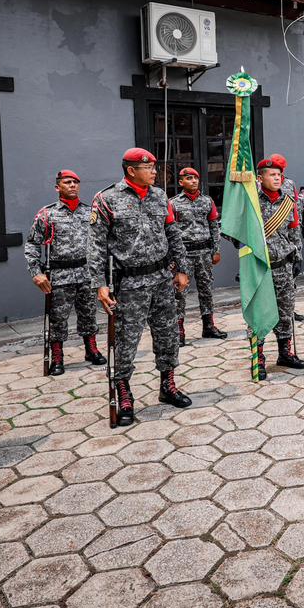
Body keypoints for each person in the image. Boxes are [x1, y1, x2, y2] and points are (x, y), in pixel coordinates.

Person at [92, 148, 192, 424]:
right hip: (130, 283)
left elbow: (173, 234)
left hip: (161, 278)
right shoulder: (106, 200)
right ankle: (123, 391)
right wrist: (99, 284)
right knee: (126, 340)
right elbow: (96, 246)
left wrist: (182, 268)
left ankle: (168, 385)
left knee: (168, 334)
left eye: (154, 167)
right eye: (147, 167)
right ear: (130, 170)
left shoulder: (160, 196)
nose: (154, 171)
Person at [26, 169, 106, 376]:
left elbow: (100, 243)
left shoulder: (90, 213)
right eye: (68, 182)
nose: (72, 185)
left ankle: (91, 349)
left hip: (86, 272)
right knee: (58, 318)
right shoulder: (47, 214)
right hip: (59, 275)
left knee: (89, 314)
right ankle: (58, 356)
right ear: (57, 187)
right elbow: (32, 244)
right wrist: (36, 271)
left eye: (76, 182)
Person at [254, 158, 304, 377]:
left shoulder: (288, 202)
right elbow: (234, 231)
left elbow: (294, 231)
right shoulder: (252, 202)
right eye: (272, 174)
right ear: (260, 178)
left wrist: (297, 256)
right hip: (260, 267)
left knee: (286, 312)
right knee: (259, 314)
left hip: (284, 266)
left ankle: (285, 353)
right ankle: (257, 358)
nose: (277, 178)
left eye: (279, 175)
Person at [170, 167, 227, 343]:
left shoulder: (207, 201)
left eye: (195, 178)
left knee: (206, 290)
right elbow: (170, 231)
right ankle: (178, 330)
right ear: (181, 182)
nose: (193, 181)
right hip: (184, 254)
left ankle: (208, 326)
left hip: (204, 253)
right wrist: (173, 257)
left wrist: (216, 249)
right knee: (179, 292)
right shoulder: (173, 204)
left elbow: (213, 227)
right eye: (189, 178)